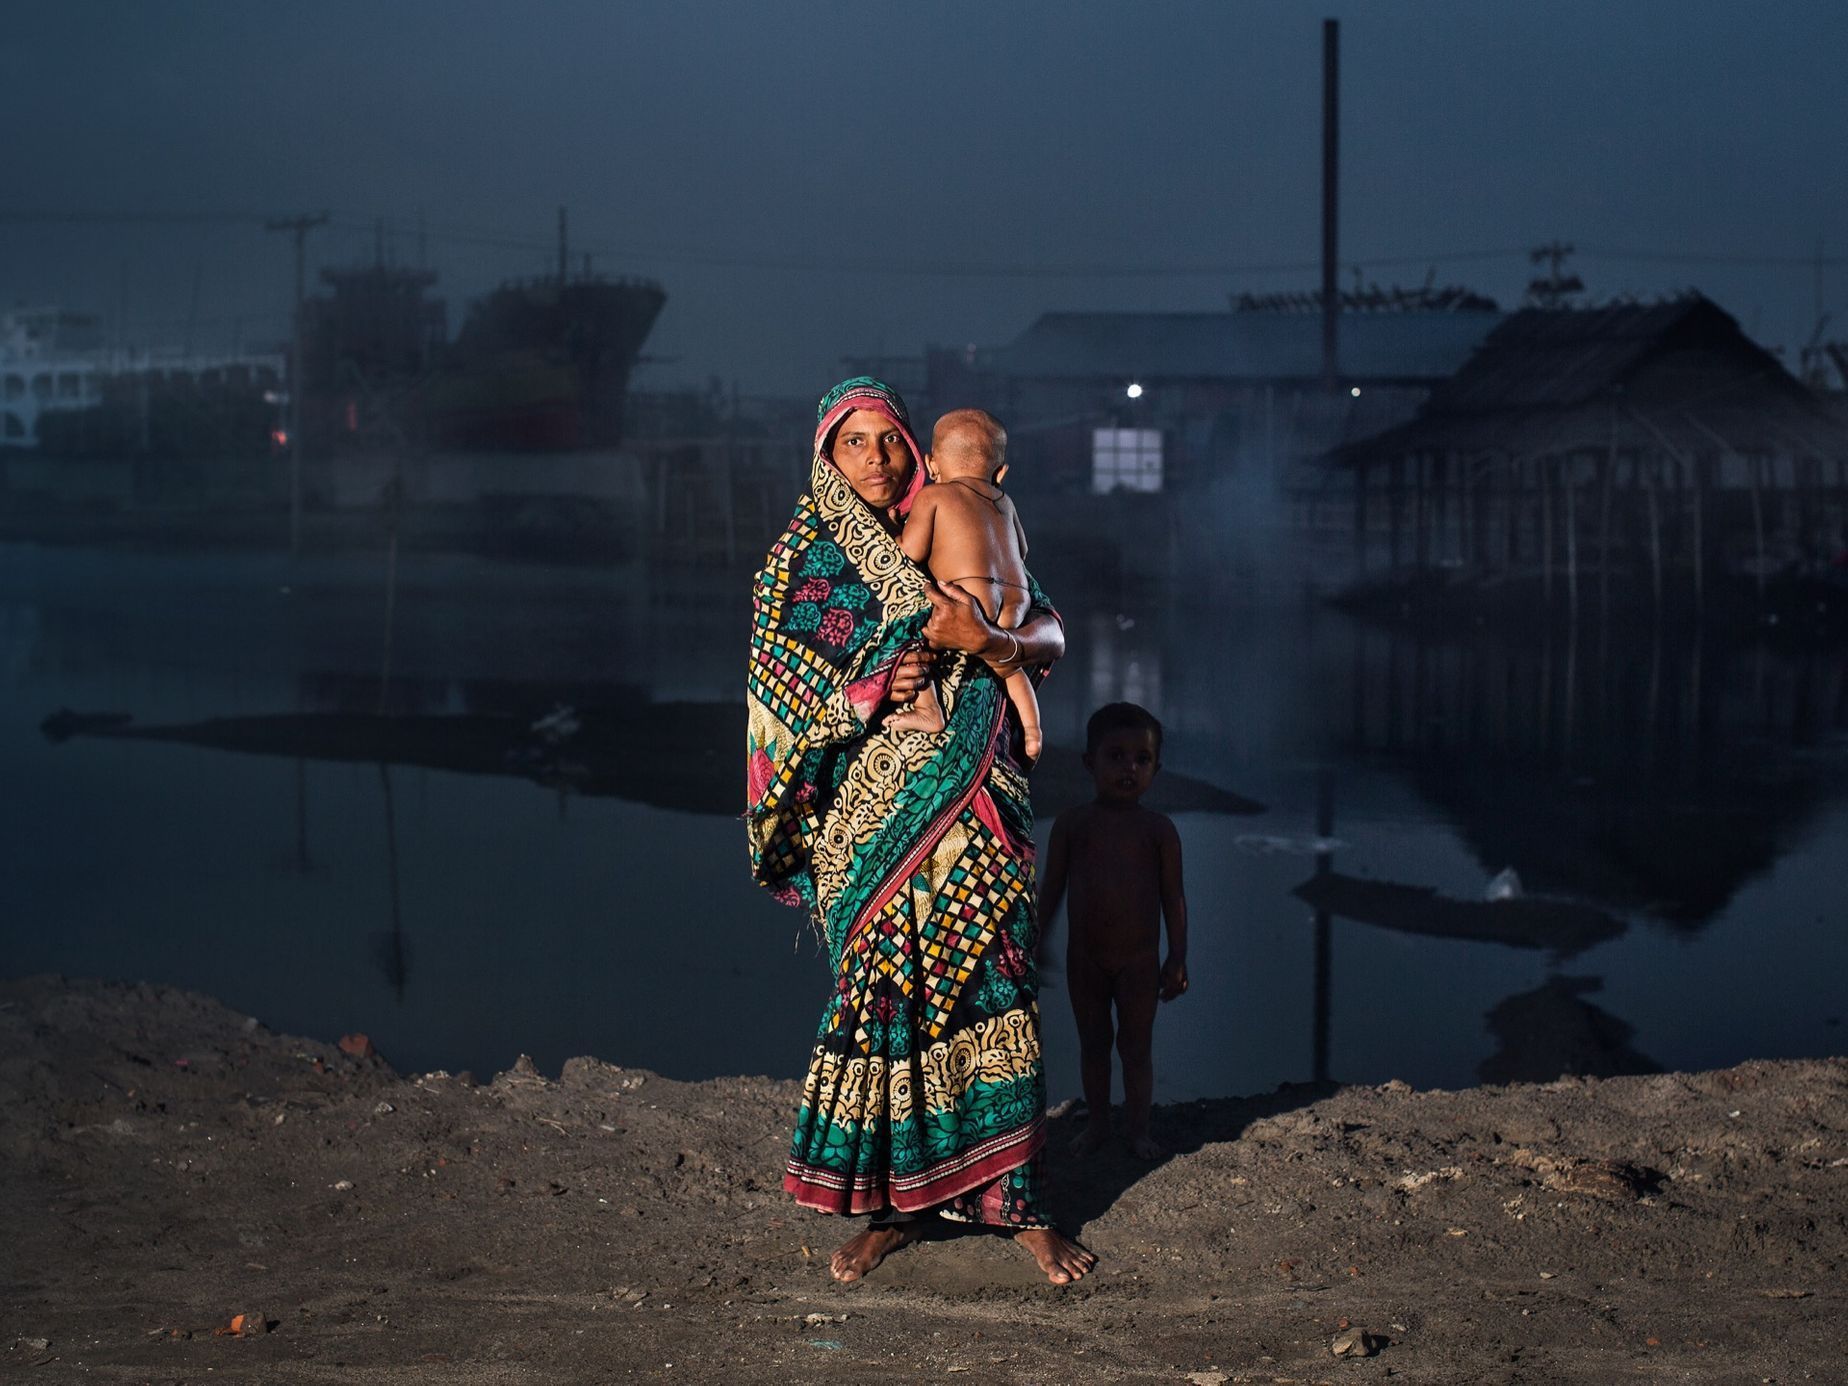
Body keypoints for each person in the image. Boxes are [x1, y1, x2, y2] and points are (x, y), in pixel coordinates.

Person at [745, 376, 1095, 1286]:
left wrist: (994, 648)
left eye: (888, 441)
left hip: (980, 777)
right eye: (854, 443)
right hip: (873, 807)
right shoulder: (801, 559)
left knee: (996, 965)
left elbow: (1048, 630)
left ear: (918, 451)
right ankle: (889, 1209)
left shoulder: (966, 517)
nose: (875, 458)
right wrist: (870, 688)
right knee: (884, 986)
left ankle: (1016, 1204)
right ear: (826, 454)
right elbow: (783, 687)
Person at [1036, 702, 1190, 1159]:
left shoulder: (1159, 831)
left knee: (1135, 1047)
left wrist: (1177, 957)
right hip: (1085, 959)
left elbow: (1172, 899)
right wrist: (1037, 940)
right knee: (1094, 1044)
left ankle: (1138, 1129)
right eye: (1116, 756)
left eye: (1142, 760)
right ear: (1090, 762)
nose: (1129, 768)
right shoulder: (1073, 825)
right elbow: (1052, 891)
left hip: (1139, 961)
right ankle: (1099, 1123)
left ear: (1156, 768)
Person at [885, 409, 1043, 765]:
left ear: (931, 464)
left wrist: (895, 530)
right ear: (1001, 472)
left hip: (968, 594)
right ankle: (1033, 733)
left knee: (913, 634)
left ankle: (929, 711)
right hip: (1016, 598)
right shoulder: (1006, 501)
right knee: (1008, 666)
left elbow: (910, 552)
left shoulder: (934, 495)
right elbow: (1023, 549)